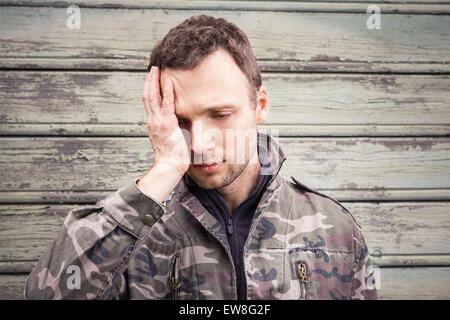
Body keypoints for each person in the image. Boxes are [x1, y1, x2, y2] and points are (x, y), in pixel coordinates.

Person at [24, 14, 378, 300]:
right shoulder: (132, 230)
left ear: (261, 105)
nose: (201, 143)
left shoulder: (336, 229)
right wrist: (164, 171)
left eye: (221, 116)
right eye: (181, 122)